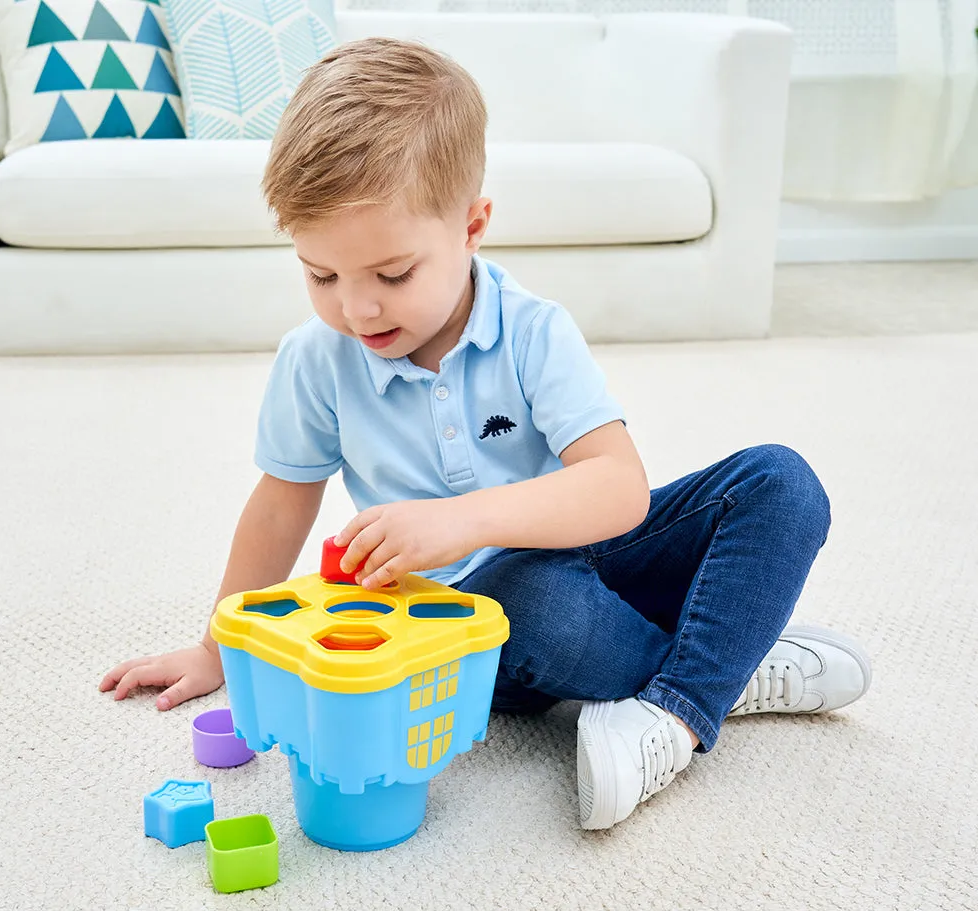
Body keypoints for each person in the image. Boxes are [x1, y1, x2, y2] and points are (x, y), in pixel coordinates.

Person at [100, 38, 871, 831]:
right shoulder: (316, 359)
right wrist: (217, 648)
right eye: (321, 275)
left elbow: (619, 488)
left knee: (780, 483)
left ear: (473, 227)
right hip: (468, 629)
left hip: (588, 555)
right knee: (528, 597)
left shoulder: (533, 331)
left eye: (392, 275)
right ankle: (719, 671)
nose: (356, 309)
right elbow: (279, 505)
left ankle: (674, 706)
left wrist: (458, 519)